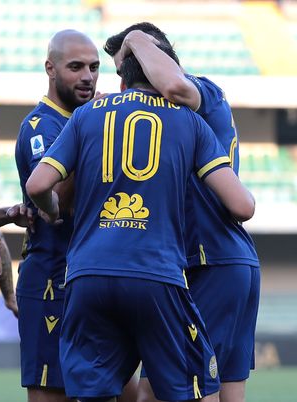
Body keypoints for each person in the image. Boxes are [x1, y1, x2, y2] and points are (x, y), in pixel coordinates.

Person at [25, 42, 255, 402]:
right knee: (193, 387)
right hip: (155, 274)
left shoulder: (88, 114)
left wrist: (51, 210)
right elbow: (242, 206)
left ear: (122, 81)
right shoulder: (189, 120)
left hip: (87, 275)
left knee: (99, 391)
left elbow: (37, 184)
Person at [103, 22, 261, 402]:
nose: (126, 82)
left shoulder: (198, 91)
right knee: (225, 390)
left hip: (210, 261)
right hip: (228, 261)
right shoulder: (169, 117)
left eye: (128, 66)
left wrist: (136, 40)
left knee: (156, 393)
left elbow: (174, 85)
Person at [14, 30, 98, 402]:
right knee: (52, 392)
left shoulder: (97, 120)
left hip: (94, 275)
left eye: (95, 68)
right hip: (51, 276)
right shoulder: (41, 126)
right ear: (50, 68)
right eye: (76, 67)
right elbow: (56, 204)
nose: (88, 77)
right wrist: (88, 132)